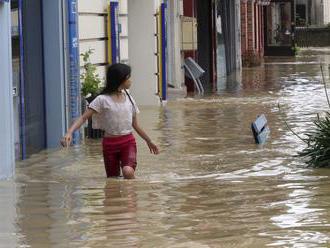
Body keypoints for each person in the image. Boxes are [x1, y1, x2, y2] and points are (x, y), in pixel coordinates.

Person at [61, 63, 159, 179]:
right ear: (120, 79)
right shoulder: (102, 100)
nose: (131, 81)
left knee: (128, 171)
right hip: (109, 144)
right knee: (113, 179)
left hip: (128, 142)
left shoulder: (130, 99)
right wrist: (69, 132)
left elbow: (136, 125)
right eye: (129, 77)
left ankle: (132, 195)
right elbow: (83, 118)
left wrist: (149, 141)